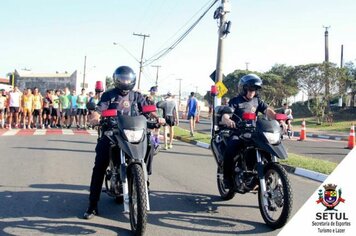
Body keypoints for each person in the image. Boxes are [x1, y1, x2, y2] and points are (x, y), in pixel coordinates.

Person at [83, 66, 163, 219]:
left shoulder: (137, 96)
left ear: (132, 80)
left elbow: (147, 110)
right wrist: (95, 117)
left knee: (150, 145)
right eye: (123, 79)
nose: (126, 82)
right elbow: (98, 110)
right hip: (113, 133)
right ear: (117, 80)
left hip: (133, 132)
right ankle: (92, 205)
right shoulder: (109, 95)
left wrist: (157, 117)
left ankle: (143, 176)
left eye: (128, 79)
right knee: (100, 164)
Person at [220, 74, 283, 188]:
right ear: (243, 89)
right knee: (231, 148)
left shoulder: (257, 101)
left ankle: (264, 172)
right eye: (249, 89)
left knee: (266, 148)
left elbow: (268, 111)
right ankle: (227, 178)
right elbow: (226, 114)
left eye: (254, 90)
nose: (251, 92)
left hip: (253, 133)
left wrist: (278, 119)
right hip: (238, 132)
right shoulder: (235, 101)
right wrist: (227, 120)